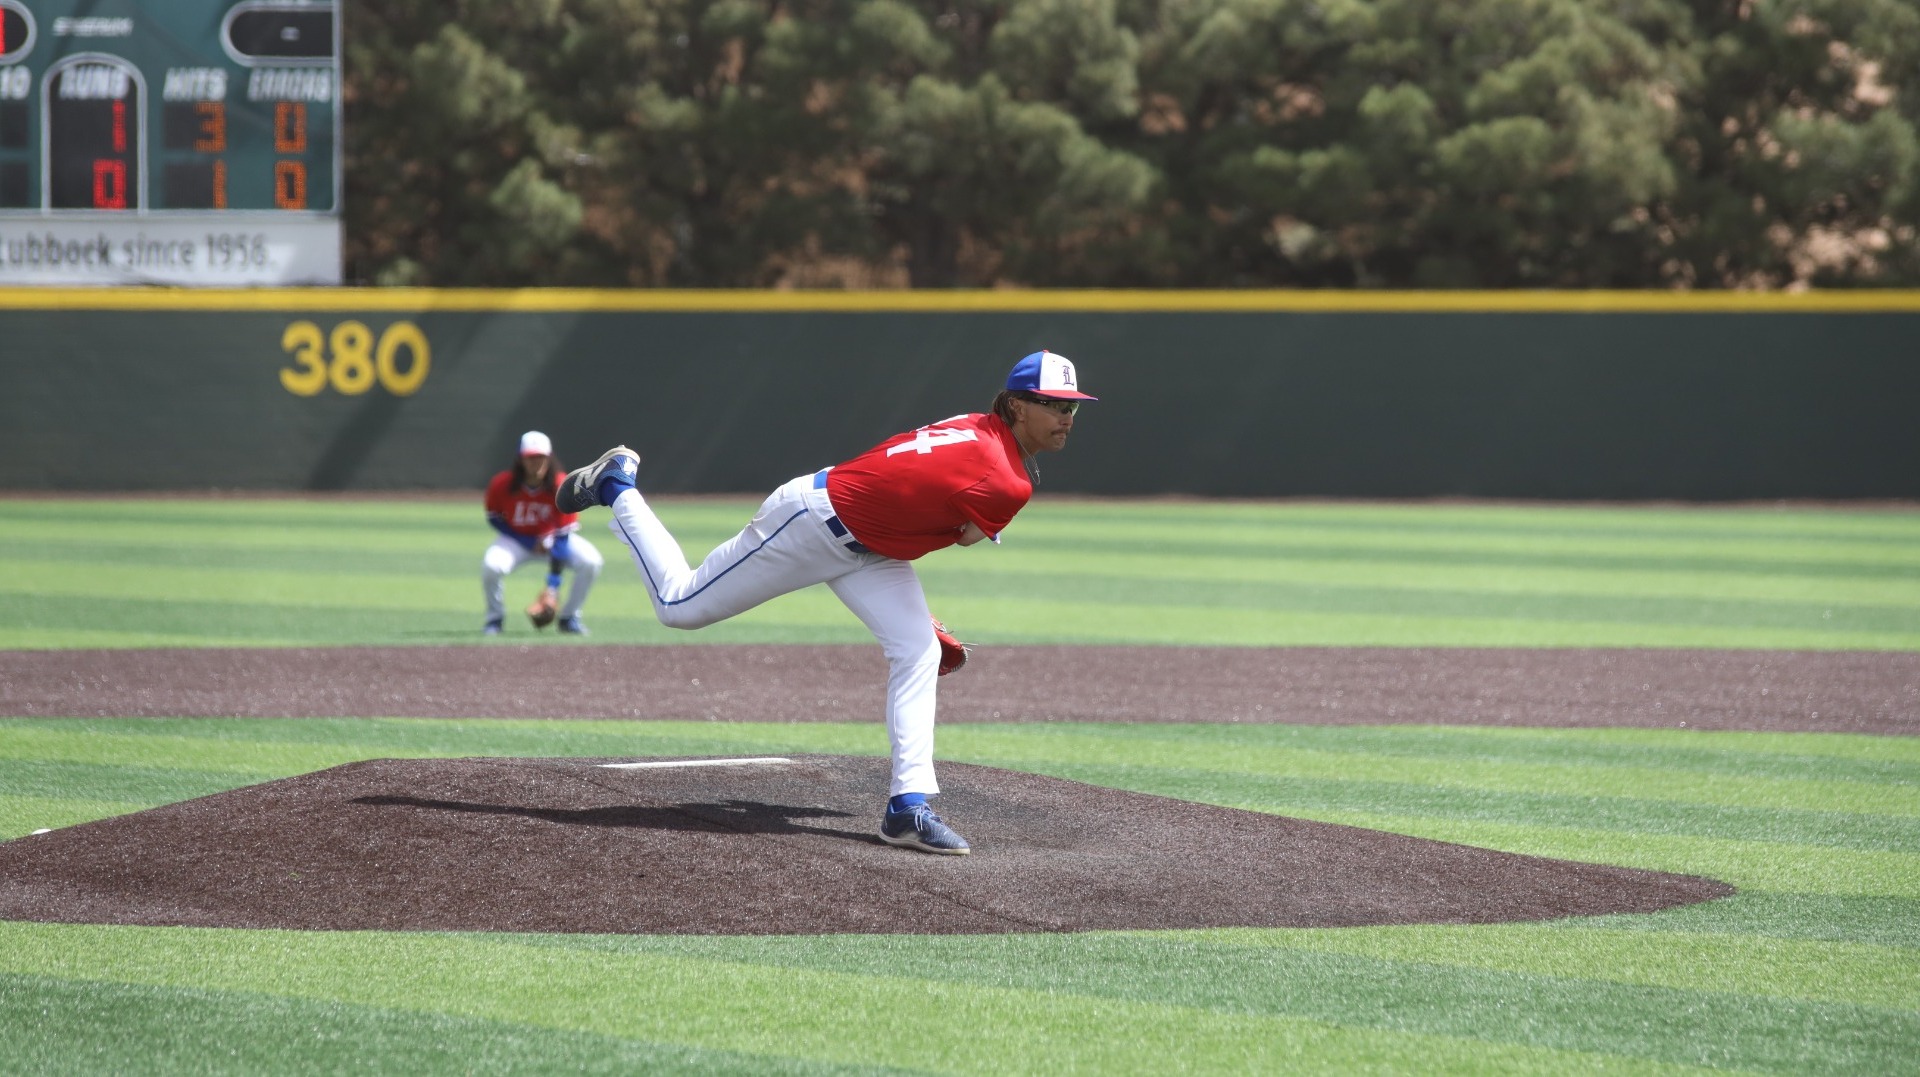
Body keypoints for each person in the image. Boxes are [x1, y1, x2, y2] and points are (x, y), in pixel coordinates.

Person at [556, 350, 1097, 855]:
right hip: (811, 525)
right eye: (1052, 404)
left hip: (871, 547)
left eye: (1071, 405)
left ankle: (907, 808)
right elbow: (961, 536)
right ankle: (617, 485)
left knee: (917, 652)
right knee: (679, 605)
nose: (1066, 416)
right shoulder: (1008, 481)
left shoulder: (973, 423)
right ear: (1016, 404)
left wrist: (913, 609)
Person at [482, 430, 605, 636]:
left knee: (591, 561)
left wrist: (552, 586)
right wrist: (528, 541)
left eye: (540, 457)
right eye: (531, 457)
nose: (536, 462)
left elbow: (563, 536)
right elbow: (494, 517)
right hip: (516, 539)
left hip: (555, 541)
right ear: (521, 459)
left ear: (549, 458)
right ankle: (494, 619)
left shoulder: (562, 485)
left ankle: (569, 617)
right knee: (491, 565)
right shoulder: (502, 484)